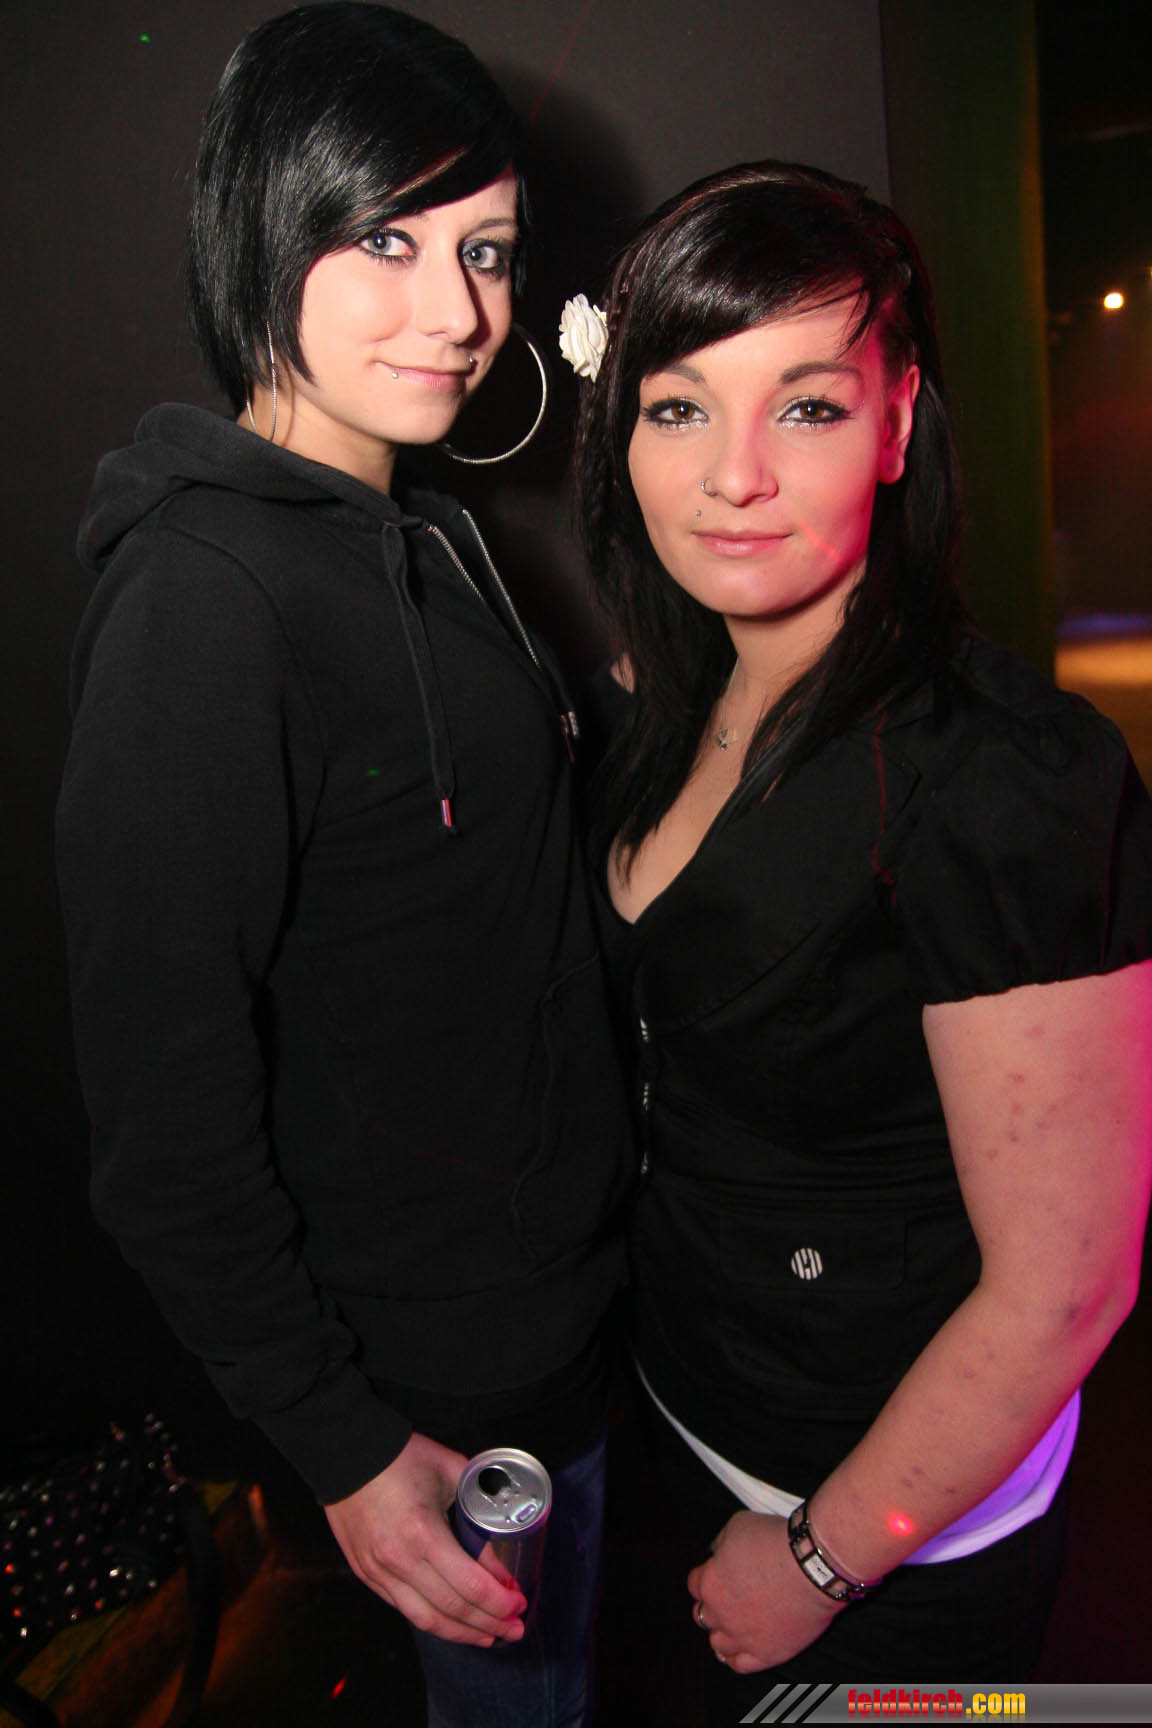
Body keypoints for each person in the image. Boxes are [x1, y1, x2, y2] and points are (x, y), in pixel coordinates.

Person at [55, 8, 632, 1724]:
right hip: (438, 1399)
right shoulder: (201, 602)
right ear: (264, 220)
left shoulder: (429, 532)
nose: (457, 311)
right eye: (388, 238)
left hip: (565, 1313)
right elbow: (162, 1134)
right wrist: (348, 1446)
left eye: (488, 251)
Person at [570, 160, 1152, 1690]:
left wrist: (826, 1559)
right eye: (679, 407)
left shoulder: (1004, 779)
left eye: (809, 407)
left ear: (897, 427)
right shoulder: (664, 701)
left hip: (890, 1531)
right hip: (692, 1417)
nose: (734, 475)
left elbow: (1068, 1287)